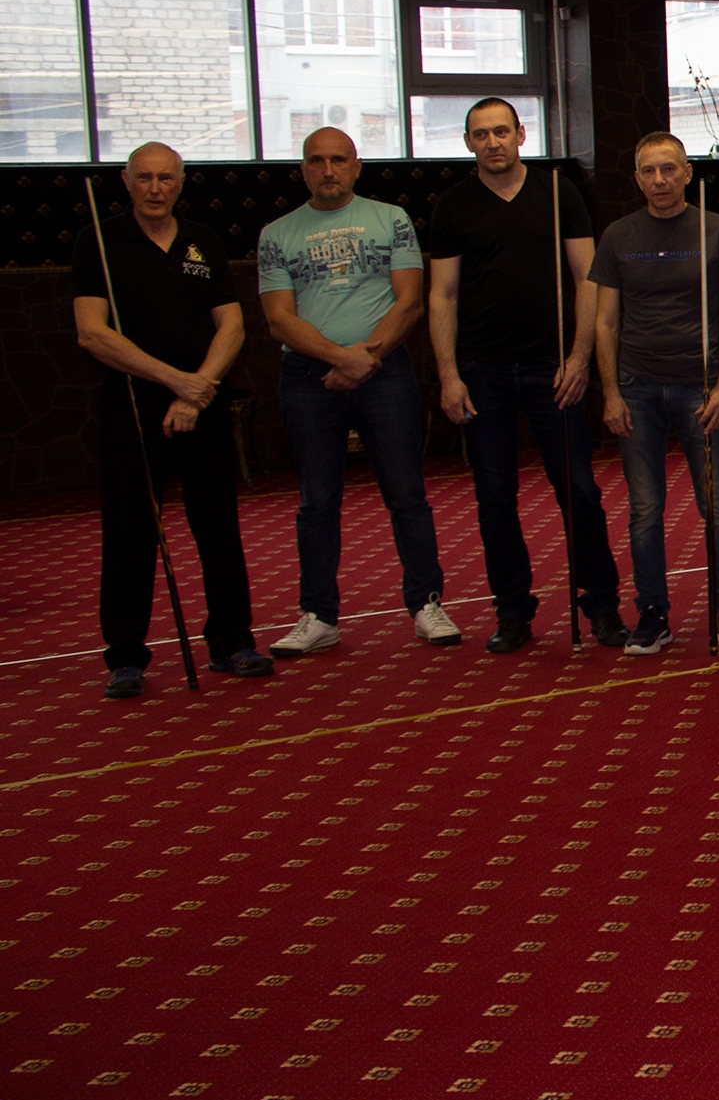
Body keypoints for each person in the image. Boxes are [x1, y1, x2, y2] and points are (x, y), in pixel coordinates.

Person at [426, 98, 625, 653]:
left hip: (552, 369)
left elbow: (587, 278)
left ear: (520, 134)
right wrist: (448, 375)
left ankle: (603, 606)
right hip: (481, 371)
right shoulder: (453, 205)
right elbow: (442, 295)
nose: (492, 142)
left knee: (579, 492)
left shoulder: (559, 192)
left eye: (501, 131)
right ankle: (512, 612)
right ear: (468, 142)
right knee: (495, 499)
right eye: (480, 134)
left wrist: (580, 357)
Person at [74, 141, 271, 696]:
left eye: (165, 178)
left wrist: (196, 390)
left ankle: (231, 643)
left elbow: (231, 326)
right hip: (132, 406)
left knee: (218, 527)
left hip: (202, 404)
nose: (155, 188)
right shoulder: (99, 240)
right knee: (129, 532)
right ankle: (125, 658)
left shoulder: (203, 239)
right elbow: (92, 333)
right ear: (126, 181)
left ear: (180, 183)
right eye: (144, 178)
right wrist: (173, 380)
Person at [258, 126, 456, 658]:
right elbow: (278, 319)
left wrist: (363, 359)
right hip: (308, 378)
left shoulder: (390, 218)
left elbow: (409, 301)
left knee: (407, 494)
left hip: (384, 373)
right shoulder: (277, 233)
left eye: (339, 160)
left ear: (356, 165)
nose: (328, 170)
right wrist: (338, 358)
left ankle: (427, 604)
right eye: (317, 161)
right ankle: (319, 616)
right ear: (303, 169)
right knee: (317, 501)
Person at [592, 134, 719, 656]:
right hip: (636, 386)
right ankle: (653, 613)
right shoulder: (618, 235)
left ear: (687, 173)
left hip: (701, 388)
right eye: (648, 171)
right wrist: (610, 392)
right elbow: (606, 320)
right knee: (645, 509)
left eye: (669, 169)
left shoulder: (717, 229)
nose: (659, 180)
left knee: (718, 506)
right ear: (637, 178)